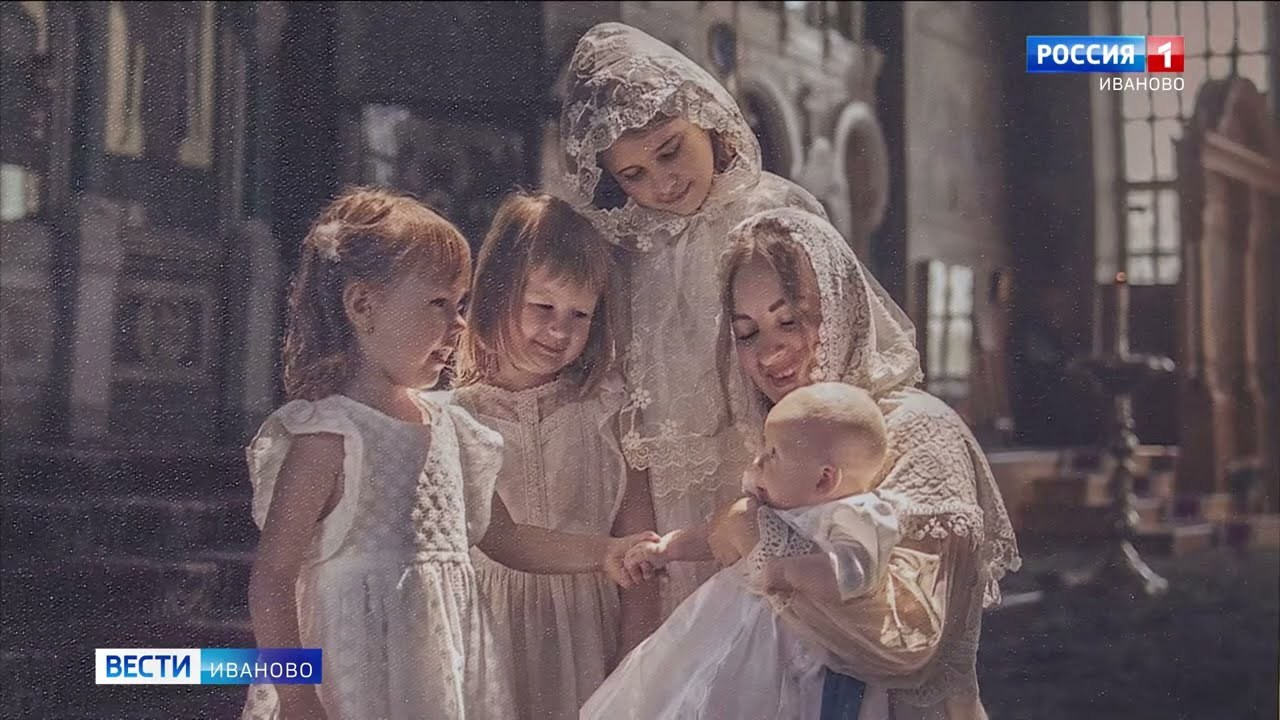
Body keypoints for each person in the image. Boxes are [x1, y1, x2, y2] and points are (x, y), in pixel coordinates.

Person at [240, 187, 653, 720]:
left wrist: (603, 552)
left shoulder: (454, 428)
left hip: (441, 680)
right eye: (439, 304)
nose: (459, 323)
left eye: (461, 305)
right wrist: (297, 694)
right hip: (355, 680)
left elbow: (506, 539)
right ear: (363, 305)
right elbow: (272, 579)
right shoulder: (327, 438)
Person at [559, 21, 830, 618]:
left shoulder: (777, 209)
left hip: (771, 455)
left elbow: (829, 327)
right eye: (634, 175)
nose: (663, 182)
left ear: (706, 117)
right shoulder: (630, 252)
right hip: (670, 476)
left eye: (670, 151)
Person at [710, 207, 1022, 719]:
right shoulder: (775, 438)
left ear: (840, 308)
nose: (769, 352)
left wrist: (757, 535)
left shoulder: (919, 429)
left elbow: (904, 644)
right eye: (747, 332)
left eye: (789, 319)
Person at [452, 191, 661, 720]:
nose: (560, 330)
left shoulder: (609, 409)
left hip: (589, 629)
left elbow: (640, 548)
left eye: (580, 314)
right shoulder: (456, 416)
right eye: (542, 306)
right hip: (488, 635)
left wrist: (633, 662)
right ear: (497, 292)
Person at [582, 382, 901, 720]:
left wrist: (789, 571)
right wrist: (667, 548)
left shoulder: (856, 515)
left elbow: (854, 572)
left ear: (824, 480)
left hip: (793, 649)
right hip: (725, 624)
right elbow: (714, 537)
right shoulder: (769, 502)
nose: (758, 460)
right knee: (691, 689)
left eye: (774, 453)